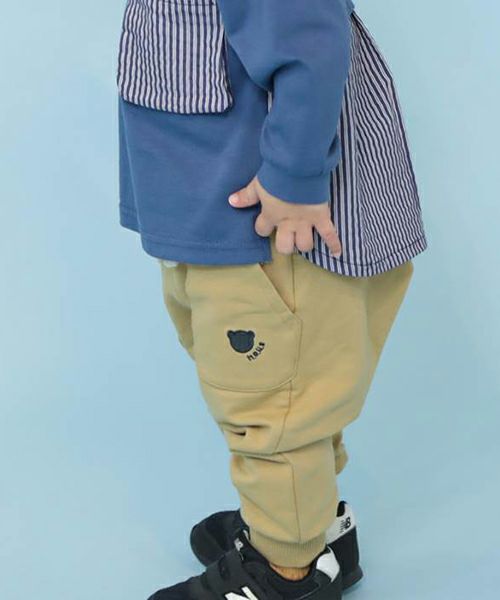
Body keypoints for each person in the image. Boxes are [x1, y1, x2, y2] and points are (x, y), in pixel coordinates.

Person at [117, 1, 427, 598]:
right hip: (209, 203)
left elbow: (306, 37)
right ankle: (310, 526)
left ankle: (287, 569)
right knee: (282, 389)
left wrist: (293, 174)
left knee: (276, 406)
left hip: (268, 222)